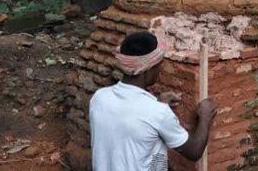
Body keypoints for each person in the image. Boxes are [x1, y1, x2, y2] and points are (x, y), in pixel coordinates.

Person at [89, 31, 217, 171]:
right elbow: (194, 151)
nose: (160, 70)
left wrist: (157, 104)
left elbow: (133, 132)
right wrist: (205, 117)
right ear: (148, 69)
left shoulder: (99, 98)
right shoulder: (158, 113)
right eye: (159, 65)